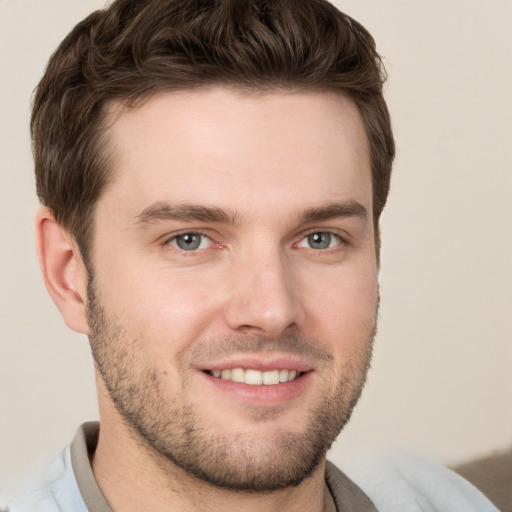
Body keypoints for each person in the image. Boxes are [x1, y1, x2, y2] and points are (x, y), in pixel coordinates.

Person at [6, 1, 499, 511]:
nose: (271, 310)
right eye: (190, 240)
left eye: (320, 238)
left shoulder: (443, 500)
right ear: (69, 274)